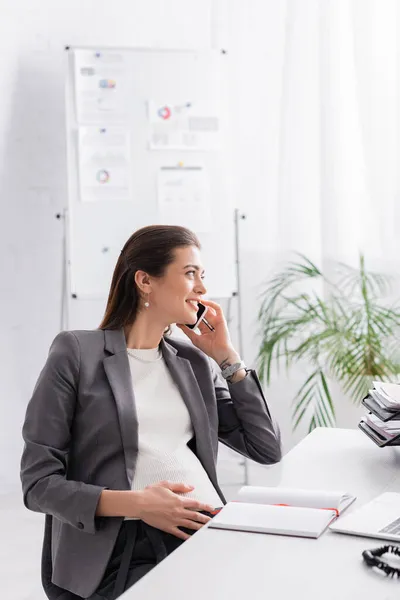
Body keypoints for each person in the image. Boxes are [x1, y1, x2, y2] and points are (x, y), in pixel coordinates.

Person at [20, 225, 281, 600]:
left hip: (208, 530)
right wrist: (140, 504)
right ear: (145, 281)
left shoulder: (193, 361)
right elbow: (38, 484)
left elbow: (265, 448)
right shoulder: (76, 352)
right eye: (190, 274)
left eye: (202, 276)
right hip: (124, 547)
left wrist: (226, 358)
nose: (203, 289)